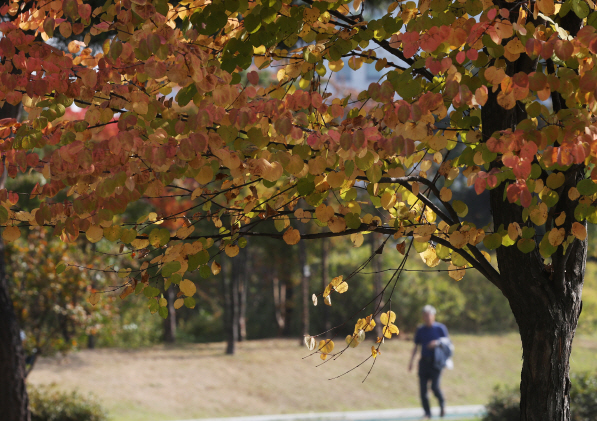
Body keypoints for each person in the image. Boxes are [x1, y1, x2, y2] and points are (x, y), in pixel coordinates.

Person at [408, 305, 451, 419]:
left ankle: (442, 404)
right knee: (423, 390)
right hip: (423, 362)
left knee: (435, 387)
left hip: (436, 363)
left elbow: (448, 344)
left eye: (428, 315)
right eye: (424, 315)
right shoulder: (420, 330)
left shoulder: (440, 328)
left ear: (433, 315)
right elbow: (416, 346)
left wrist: (436, 343)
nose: (426, 317)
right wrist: (411, 362)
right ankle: (427, 413)